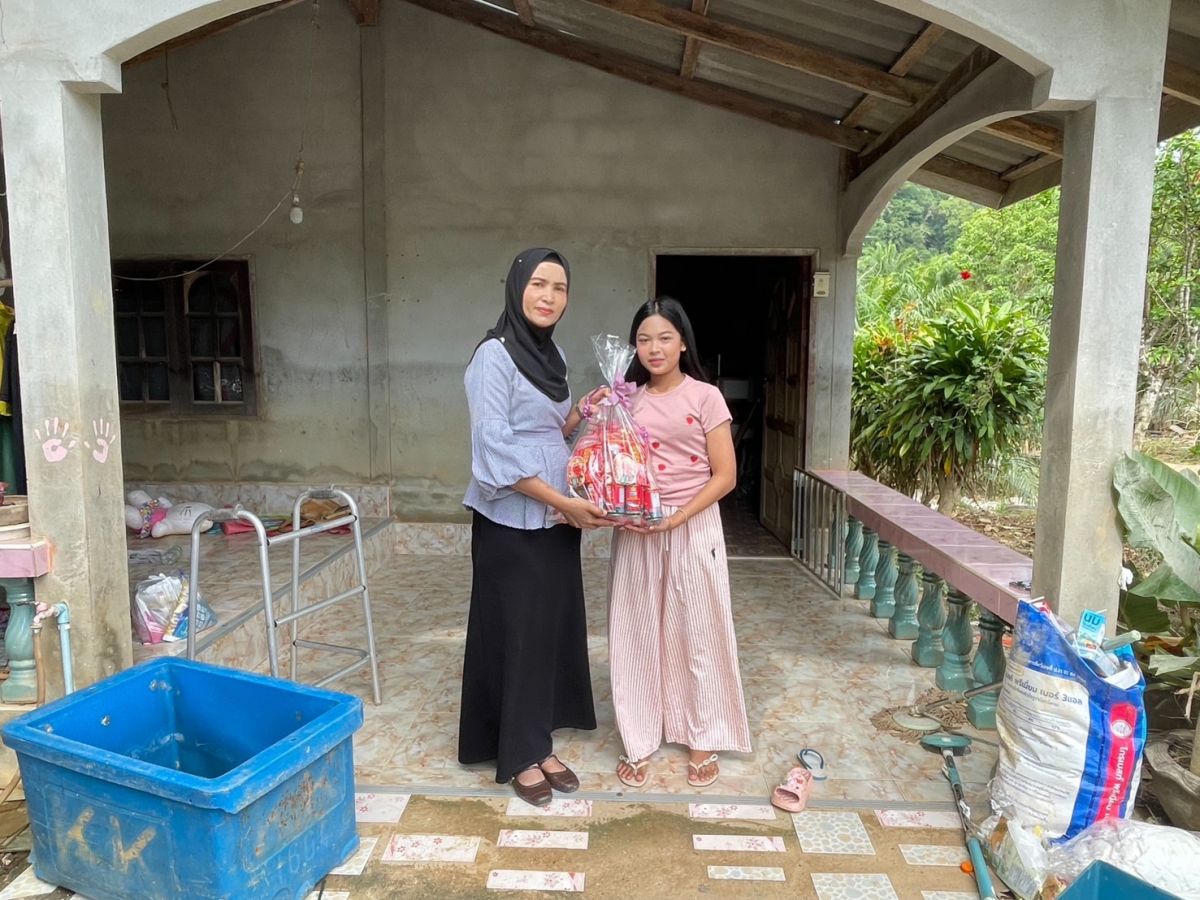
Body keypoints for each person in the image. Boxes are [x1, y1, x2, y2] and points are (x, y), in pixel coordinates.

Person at [458, 247, 611, 807]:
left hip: (555, 516)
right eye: (539, 284)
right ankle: (519, 752)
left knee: (549, 629)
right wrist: (562, 502)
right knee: (516, 632)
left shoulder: (555, 355)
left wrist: (582, 413)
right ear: (516, 286)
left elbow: (548, 430)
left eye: (560, 287)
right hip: (512, 520)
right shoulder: (493, 357)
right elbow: (493, 447)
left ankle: (538, 739)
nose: (549, 296)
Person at [607, 296, 752, 789]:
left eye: (665, 338)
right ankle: (639, 735)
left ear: (683, 342)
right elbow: (607, 460)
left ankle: (703, 736)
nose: (654, 348)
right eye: (644, 339)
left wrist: (680, 516)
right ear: (634, 346)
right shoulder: (624, 401)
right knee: (635, 629)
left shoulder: (705, 397)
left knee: (698, 628)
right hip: (638, 527)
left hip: (693, 524)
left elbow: (726, 475)